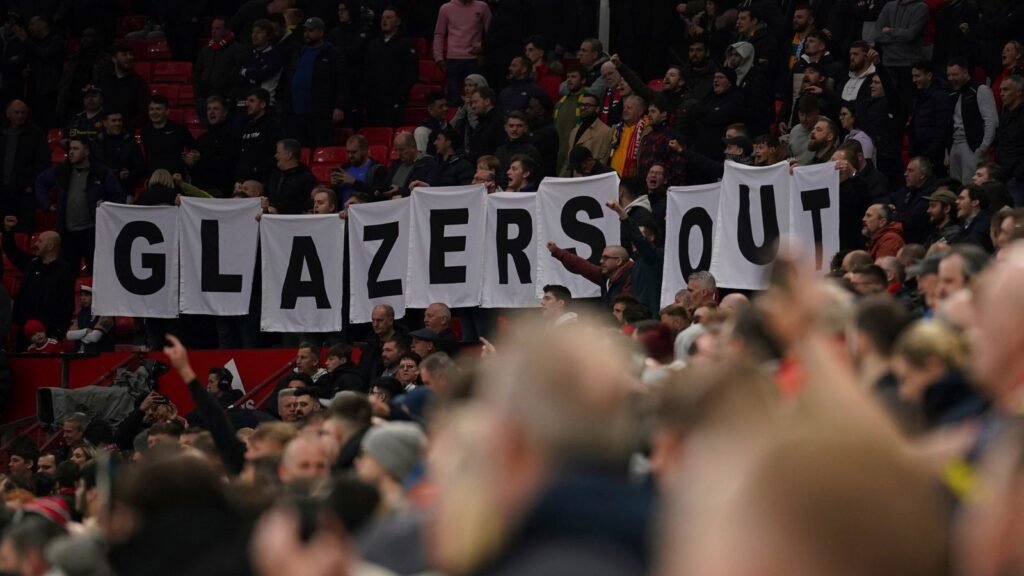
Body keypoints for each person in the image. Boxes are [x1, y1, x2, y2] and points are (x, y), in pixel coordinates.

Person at [34, 136, 122, 273]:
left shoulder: (102, 173)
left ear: (87, 152)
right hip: (68, 233)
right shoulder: (62, 171)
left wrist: (107, 204)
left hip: (93, 233)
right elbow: (40, 181)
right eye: (70, 149)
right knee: (67, 276)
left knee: (96, 273)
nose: (71, 152)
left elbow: (119, 196)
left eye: (75, 149)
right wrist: (46, 204)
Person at [892, 320, 987, 430]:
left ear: (932, 366)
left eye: (906, 379)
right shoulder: (983, 392)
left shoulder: (956, 424)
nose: (903, 394)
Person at [280, 17, 345, 147]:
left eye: (311, 30)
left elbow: (342, 81)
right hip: (296, 113)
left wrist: (339, 106)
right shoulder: (299, 52)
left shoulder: (332, 54)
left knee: (319, 147)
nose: (306, 34)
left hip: (319, 113)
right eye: (305, 31)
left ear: (321, 33)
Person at [945, 59, 999, 183]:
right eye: (948, 75)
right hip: (954, 145)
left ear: (965, 72)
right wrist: (947, 151)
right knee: (955, 185)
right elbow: (949, 124)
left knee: (970, 185)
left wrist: (983, 147)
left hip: (972, 146)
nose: (951, 78)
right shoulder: (952, 95)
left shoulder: (980, 90)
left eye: (955, 74)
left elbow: (991, 121)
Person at [363, 7, 417, 127]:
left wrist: (400, 96)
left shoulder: (405, 44)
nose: (384, 21)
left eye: (389, 17)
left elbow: (411, 73)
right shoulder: (373, 44)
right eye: (383, 18)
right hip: (374, 101)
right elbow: (367, 71)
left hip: (394, 101)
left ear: (397, 22)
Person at [0, 100, 49, 230]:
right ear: (8, 114)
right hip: (3, 191)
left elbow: (42, 163)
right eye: (16, 112)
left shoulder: (37, 134)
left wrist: (31, 184)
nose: (20, 116)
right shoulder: (2, 132)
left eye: (23, 113)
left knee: (24, 229)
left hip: (24, 192)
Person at [356, 422, 426, 513]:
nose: (358, 461)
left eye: (365, 454)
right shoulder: (380, 505)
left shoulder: (401, 514)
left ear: (386, 460)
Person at [874, 0, 929, 111]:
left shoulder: (921, 7)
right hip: (888, 64)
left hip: (909, 65)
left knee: (909, 106)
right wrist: (901, 35)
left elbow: (911, 35)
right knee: (888, 106)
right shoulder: (889, 5)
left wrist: (890, 31)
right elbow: (877, 35)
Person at [433, 0, 492, 105]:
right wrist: (439, 58)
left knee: (476, 99)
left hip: (474, 60)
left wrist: (483, 51)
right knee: (453, 99)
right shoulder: (446, 8)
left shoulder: (482, 7)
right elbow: (439, 34)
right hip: (453, 60)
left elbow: (491, 33)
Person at [546, 243, 634, 308]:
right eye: (601, 258)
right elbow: (581, 266)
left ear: (618, 261)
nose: (601, 261)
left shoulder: (632, 277)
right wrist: (557, 251)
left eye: (605, 258)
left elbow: (627, 308)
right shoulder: (606, 277)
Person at [687, 69, 746, 162]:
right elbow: (693, 111)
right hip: (701, 145)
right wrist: (713, 109)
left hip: (719, 149)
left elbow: (718, 117)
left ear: (730, 82)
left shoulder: (736, 98)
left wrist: (706, 113)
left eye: (720, 77)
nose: (715, 80)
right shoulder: (710, 96)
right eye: (715, 77)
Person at [194, 17, 244, 123]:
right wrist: (198, 95)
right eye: (212, 29)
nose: (214, 32)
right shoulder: (206, 49)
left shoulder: (236, 50)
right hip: (204, 98)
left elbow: (238, 76)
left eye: (217, 29)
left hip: (224, 99)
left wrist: (229, 98)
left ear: (226, 30)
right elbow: (197, 73)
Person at [231, 19, 284, 114]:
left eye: (259, 32)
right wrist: (253, 75)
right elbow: (235, 75)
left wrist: (245, 72)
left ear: (268, 36)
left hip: (264, 105)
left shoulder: (275, 55)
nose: (254, 35)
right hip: (243, 102)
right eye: (253, 32)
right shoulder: (247, 54)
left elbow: (262, 75)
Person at [908, 61, 952, 172]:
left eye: (917, 76)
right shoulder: (919, 95)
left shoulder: (940, 95)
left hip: (934, 155)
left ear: (929, 75)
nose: (914, 80)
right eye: (913, 76)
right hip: (921, 151)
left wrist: (931, 152)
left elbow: (942, 127)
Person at [236, 88, 283, 185]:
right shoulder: (246, 125)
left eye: (252, 101)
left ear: (263, 104)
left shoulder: (273, 126)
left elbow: (275, 154)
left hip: (264, 179)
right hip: (243, 178)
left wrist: (257, 169)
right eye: (247, 101)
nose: (247, 104)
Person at [96, 42, 148, 128]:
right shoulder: (103, 81)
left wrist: (125, 126)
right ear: (114, 59)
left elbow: (143, 113)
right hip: (104, 130)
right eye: (124, 55)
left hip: (127, 131)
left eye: (130, 54)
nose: (129, 57)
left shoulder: (139, 83)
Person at [140, 94, 195, 176]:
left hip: (176, 179)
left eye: (158, 109)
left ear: (167, 111)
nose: (154, 112)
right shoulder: (145, 131)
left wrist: (191, 159)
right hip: (153, 180)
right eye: (151, 109)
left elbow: (194, 148)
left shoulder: (179, 130)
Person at [560, 92, 613, 176]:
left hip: (590, 180)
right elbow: (568, 161)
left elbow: (602, 161)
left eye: (588, 105)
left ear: (597, 108)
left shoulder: (605, 131)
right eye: (581, 105)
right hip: (572, 180)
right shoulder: (574, 130)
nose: (583, 108)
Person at [892, 156, 937, 245]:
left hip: (917, 242)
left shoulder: (931, 193)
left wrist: (893, 213)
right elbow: (889, 198)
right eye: (906, 170)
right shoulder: (908, 189)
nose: (905, 174)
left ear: (922, 175)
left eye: (910, 171)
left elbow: (911, 218)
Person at [331, 134, 388, 203]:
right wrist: (334, 186)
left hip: (365, 212)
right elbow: (336, 195)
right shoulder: (344, 168)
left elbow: (378, 194)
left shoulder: (378, 170)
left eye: (354, 152)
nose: (350, 156)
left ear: (365, 150)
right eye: (348, 152)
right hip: (344, 212)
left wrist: (354, 182)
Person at [265, 139, 317, 214]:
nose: (275, 156)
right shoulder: (274, 175)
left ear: (289, 155)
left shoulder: (306, 178)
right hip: (271, 221)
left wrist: (279, 211)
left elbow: (308, 206)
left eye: (278, 153)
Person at [996, 75, 1024, 206]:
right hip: (1003, 174)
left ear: (1018, 92)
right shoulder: (1006, 114)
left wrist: (1018, 174)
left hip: (1018, 178)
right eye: (1001, 90)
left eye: (1006, 90)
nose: (1001, 94)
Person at [609, 95, 651, 178]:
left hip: (633, 181)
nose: (625, 110)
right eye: (624, 108)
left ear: (640, 111)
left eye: (629, 108)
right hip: (612, 177)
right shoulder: (617, 128)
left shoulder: (647, 130)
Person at [463, 86, 505, 161]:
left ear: (487, 101)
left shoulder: (499, 121)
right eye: (471, 103)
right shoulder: (481, 122)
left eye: (475, 102)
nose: (473, 106)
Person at [955, 184, 994, 251]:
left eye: (961, 198)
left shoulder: (985, 222)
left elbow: (971, 248)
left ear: (975, 202)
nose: (956, 202)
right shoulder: (963, 223)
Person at [414, 91, 449, 156]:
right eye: (440, 107)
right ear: (430, 110)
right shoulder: (422, 131)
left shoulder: (448, 126)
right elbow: (423, 159)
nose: (445, 109)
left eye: (446, 105)